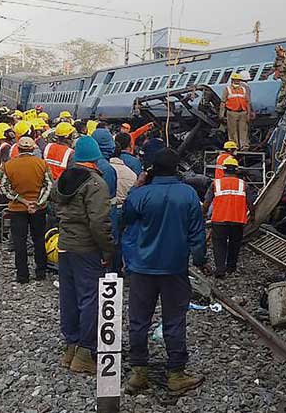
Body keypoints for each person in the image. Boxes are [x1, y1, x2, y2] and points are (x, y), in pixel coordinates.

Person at [122, 148, 206, 395]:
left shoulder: (141, 195)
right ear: (177, 168)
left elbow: (125, 216)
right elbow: (197, 234)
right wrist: (200, 260)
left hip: (141, 268)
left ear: (151, 170)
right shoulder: (188, 194)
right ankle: (176, 373)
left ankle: (139, 372)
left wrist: (138, 185)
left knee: (138, 321)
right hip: (174, 268)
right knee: (174, 320)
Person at [51, 136, 115, 375]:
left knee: (68, 296)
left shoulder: (64, 179)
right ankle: (86, 354)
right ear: (96, 157)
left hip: (64, 246)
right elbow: (99, 222)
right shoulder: (95, 183)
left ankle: (71, 347)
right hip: (87, 248)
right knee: (90, 298)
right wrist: (108, 249)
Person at [1, 136, 52, 284]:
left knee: (19, 242)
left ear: (18, 148)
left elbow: (5, 188)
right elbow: (48, 185)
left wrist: (21, 200)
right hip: (38, 209)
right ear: (32, 148)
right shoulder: (42, 164)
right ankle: (41, 272)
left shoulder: (8, 165)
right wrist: (37, 203)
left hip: (17, 210)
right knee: (38, 240)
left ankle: (22, 275)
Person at [203, 158, 255, 278]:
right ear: (236, 170)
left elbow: (206, 202)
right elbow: (250, 203)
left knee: (219, 245)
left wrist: (203, 214)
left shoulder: (216, 183)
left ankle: (220, 270)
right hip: (237, 220)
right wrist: (252, 216)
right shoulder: (243, 184)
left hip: (219, 220)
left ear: (224, 169)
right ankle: (231, 267)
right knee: (234, 244)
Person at [219, 73, 252, 149]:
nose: (237, 82)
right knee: (232, 130)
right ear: (232, 80)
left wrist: (248, 113)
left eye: (238, 80)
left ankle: (244, 146)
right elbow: (223, 102)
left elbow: (248, 102)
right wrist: (221, 114)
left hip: (243, 112)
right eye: (236, 80)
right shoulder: (227, 89)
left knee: (243, 130)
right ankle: (234, 146)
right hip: (231, 112)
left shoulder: (243, 89)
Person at [266, 46, 286, 116]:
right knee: (283, 93)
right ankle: (281, 109)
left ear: (282, 51)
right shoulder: (277, 59)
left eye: (278, 52)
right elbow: (273, 68)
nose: (277, 53)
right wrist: (267, 74)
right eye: (276, 52)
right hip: (284, 79)